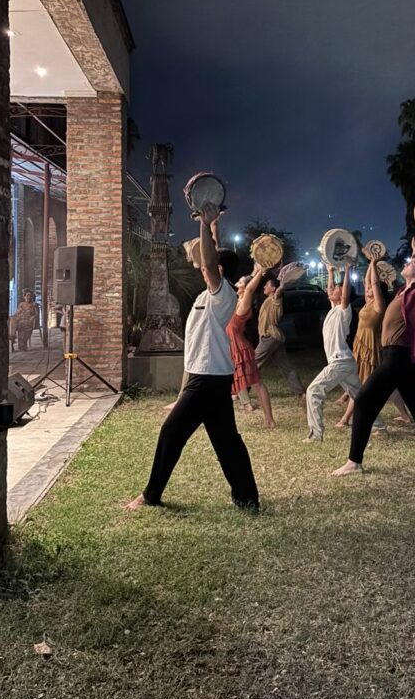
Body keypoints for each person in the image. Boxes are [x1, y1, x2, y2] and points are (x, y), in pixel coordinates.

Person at [125, 210, 259, 511]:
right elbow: (213, 257)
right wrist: (213, 227)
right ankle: (247, 498)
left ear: (219, 271)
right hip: (212, 378)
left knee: (171, 433)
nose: (199, 265)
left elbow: (210, 263)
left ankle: (151, 495)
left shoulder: (222, 295)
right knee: (227, 441)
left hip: (208, 380)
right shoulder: (209, 296)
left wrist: (202, 223)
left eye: (209, 266)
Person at [332, 229, 415, 476]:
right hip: (399, 356)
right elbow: (412, 271)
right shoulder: (404, 291)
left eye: (411, 263)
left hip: (397, 356)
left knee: (364, 401)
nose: (407, 264)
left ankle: (354, 462)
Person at [335, 257, 409, 430]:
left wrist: (374, 264)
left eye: (371, 289)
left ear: (377, 293)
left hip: (371, 349)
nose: (367, 288)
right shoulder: (368, 303)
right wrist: (370, 264)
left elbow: (374, 283)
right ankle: (405, 415)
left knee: (361, 385)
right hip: (361, 346)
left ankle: (345, 419)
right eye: (367, 288)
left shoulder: (379, 306)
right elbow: (367, 281)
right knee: (386, 386)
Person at [304, 261, 362, 442]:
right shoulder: (334, 309)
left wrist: (348, 270)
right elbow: (330, 291)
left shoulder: (344, 310)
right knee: (361, 397)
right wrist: (330, 271)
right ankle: (379, 426)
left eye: (338, 287)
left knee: (313, 391)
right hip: (345, 362)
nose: (333, 289)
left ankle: (316, 434)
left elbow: (344, 295)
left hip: (340, 362)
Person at [228, 266, 276, 429]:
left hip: (241, 348)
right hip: (232, 347)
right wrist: (255, 271)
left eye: (240, 282)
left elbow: (249, 288)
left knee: (257, 383)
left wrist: (260, 272)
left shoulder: (244, 302)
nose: (237, 283)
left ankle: (269, 420)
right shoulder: (237, 301)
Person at [254, 275, 305, 398]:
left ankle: (240, 391)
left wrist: (283, 283)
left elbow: (279, 291)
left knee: (252, 364)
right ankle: (301, 392)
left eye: (267, 285)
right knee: (285, 366)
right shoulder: (269, 299)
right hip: (275, 337)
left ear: (273, 289)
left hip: (270, 337)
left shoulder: (276, 299)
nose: (264, 287)